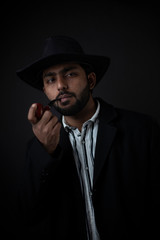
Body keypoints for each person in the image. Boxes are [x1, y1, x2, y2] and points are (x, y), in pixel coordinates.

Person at [16, 36, 160, 240]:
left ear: (90, 80)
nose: (60, 86)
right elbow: (28, 215)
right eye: (50, 79)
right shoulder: (37, 147)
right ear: (45, 90)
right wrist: (45, 152)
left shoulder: (142, 130)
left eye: (70, 74)